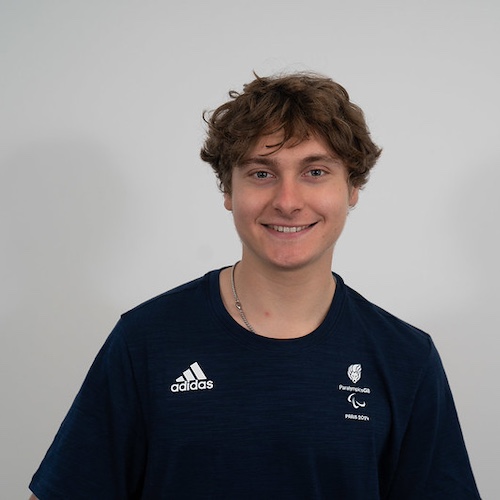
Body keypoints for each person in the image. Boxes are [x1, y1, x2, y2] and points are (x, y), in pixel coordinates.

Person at [29, 72, 481, 499]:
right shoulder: (147, 340)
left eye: (315, 171)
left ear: (353, 188)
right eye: (261, 173)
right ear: (228, 190)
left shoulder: (405, 358)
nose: (287, 201)